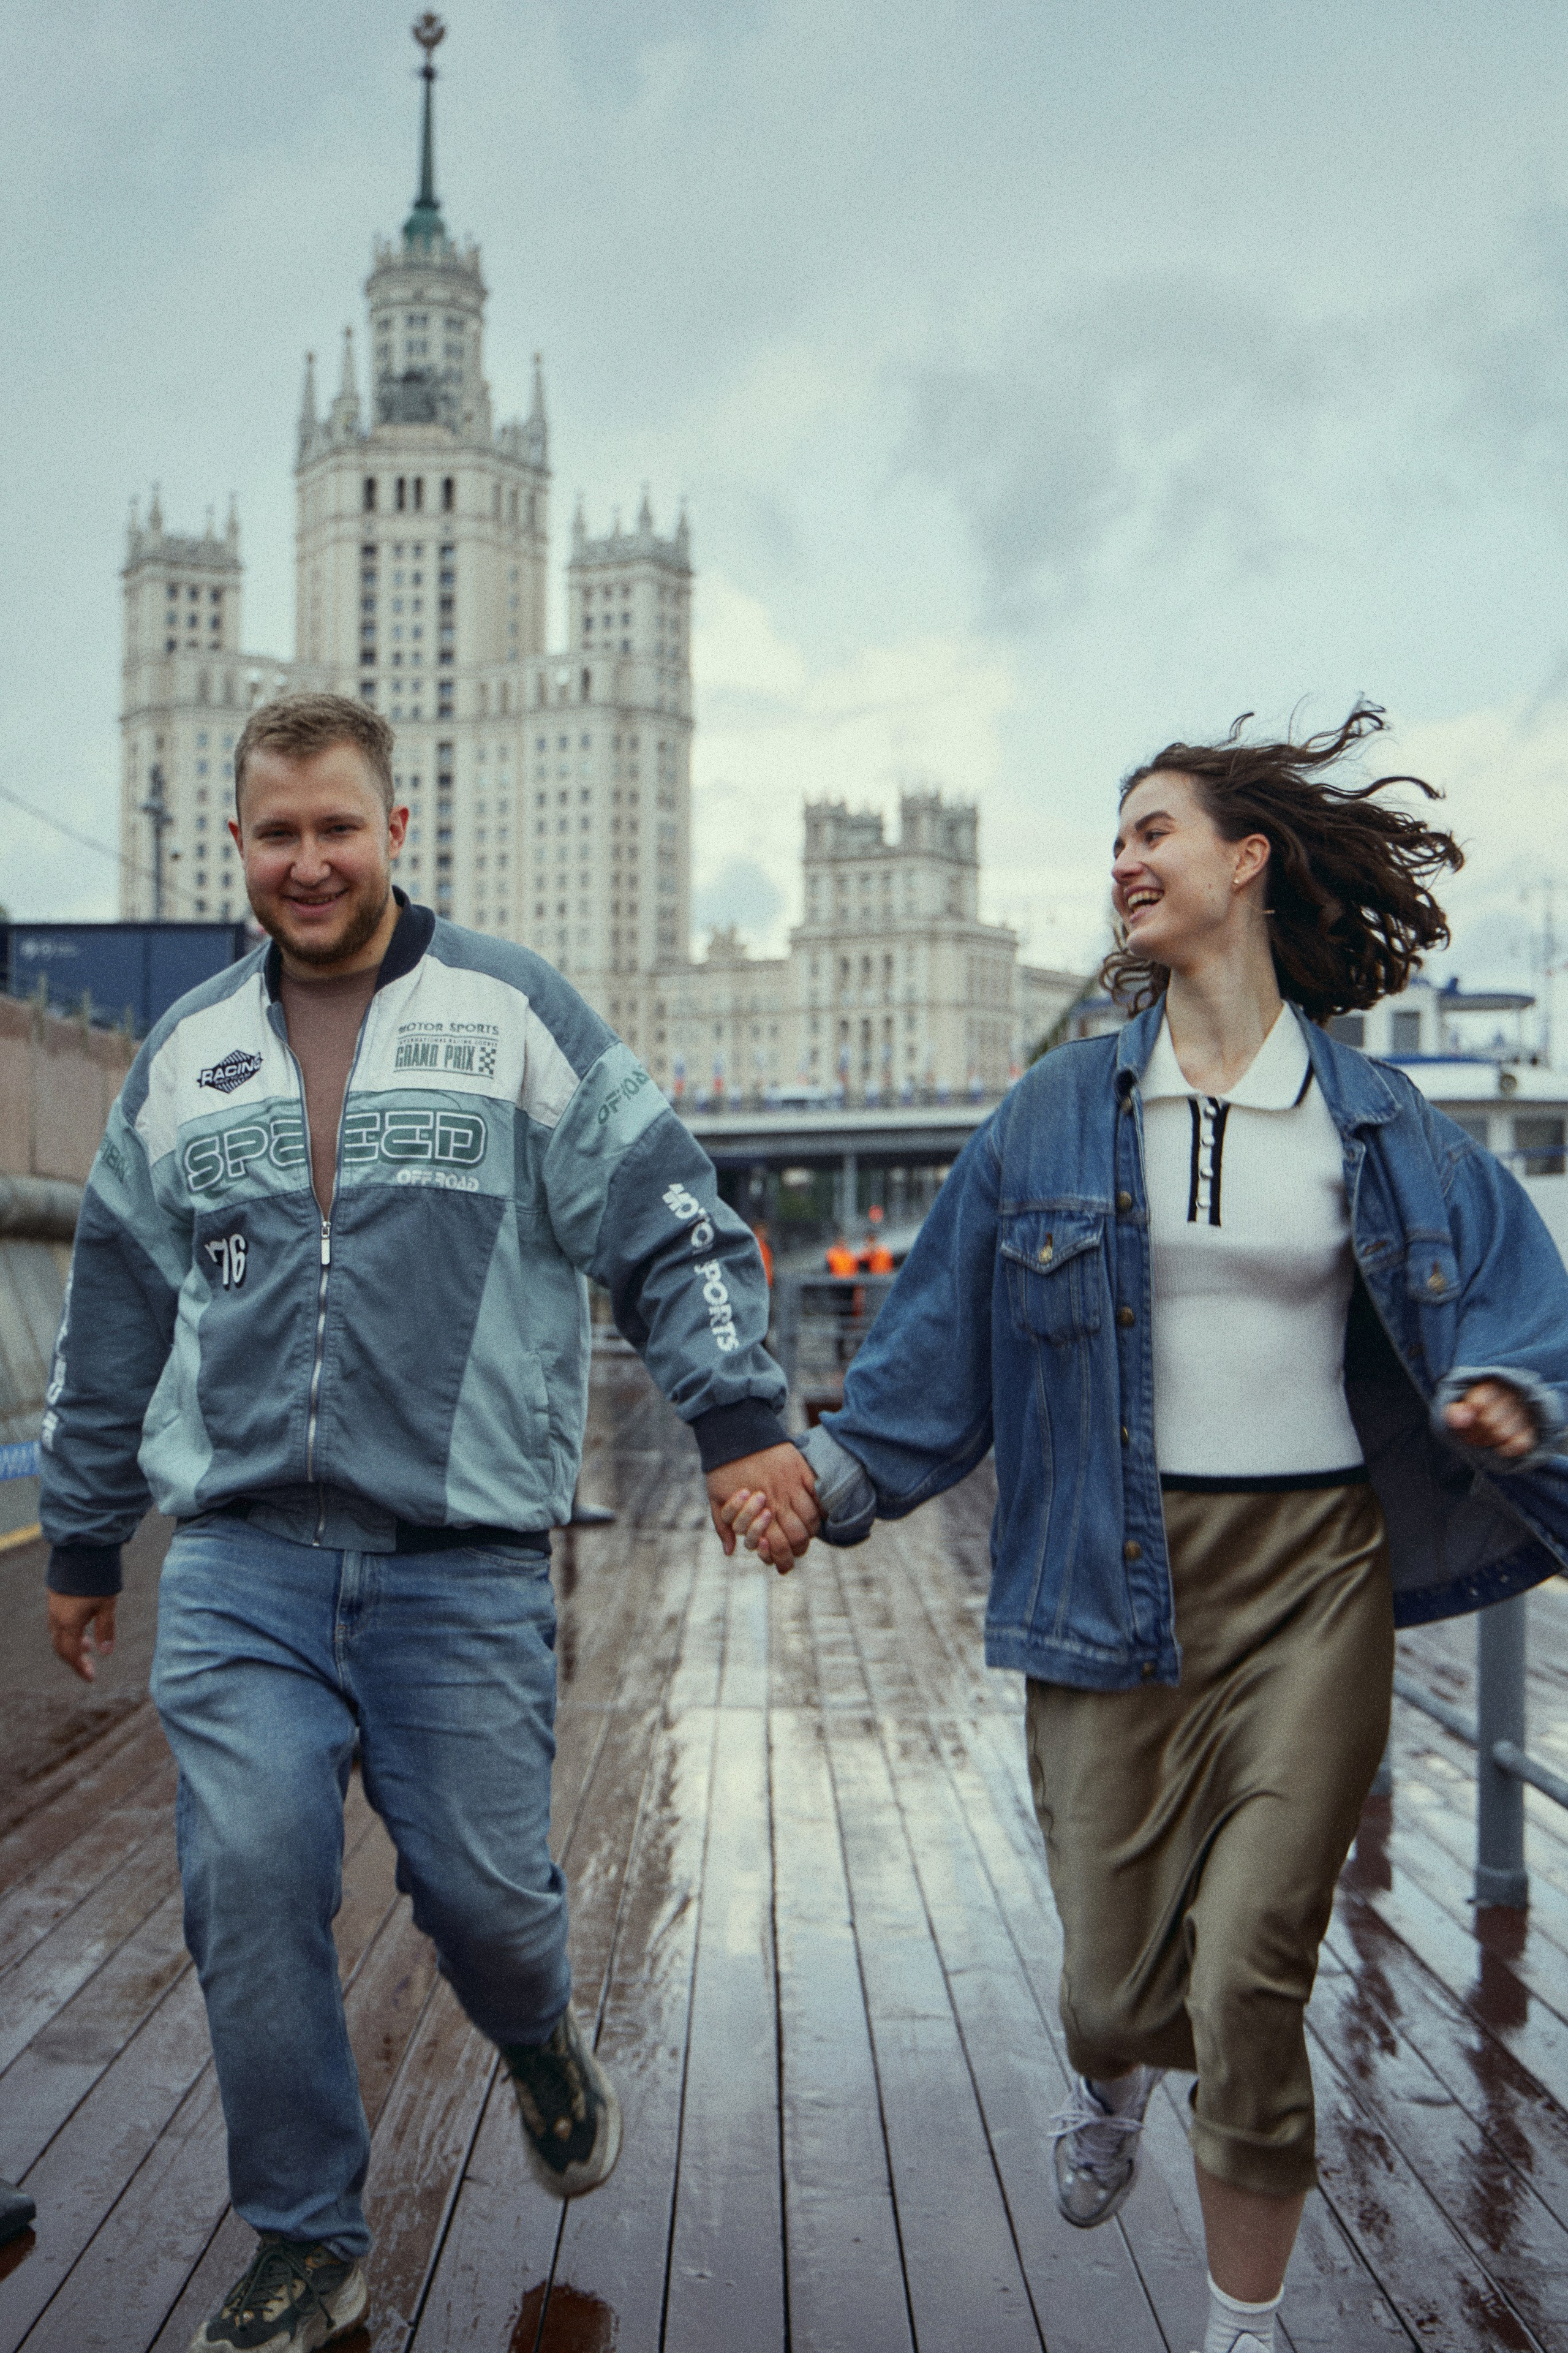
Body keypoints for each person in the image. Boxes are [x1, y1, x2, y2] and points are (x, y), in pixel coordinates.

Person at [726, 704, 1568, 2353]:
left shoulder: (1381, 1121)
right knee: (1115, 1984)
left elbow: (1522, 1303)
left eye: (1153, 831)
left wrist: (1506, 1397)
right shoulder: (1050, 1115)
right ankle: (1107, 2072)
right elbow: (931, 1343)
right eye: (1113, 839)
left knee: (1256, 1962)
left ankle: (1239, 2324)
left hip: (1312, 1583)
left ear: (1245, 861)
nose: (1123, 859)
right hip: (1103, 1574)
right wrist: (823, 1478)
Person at [41, 694, 819, 2353]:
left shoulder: (512, 1014)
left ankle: (539, 2038)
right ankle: (308, 2236)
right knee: (249, 1870)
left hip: (459, 1565)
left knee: (485, 1898)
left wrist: (740, 1417)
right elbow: (111, 1302)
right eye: (276, 833)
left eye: (338, 827)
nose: (308, 861)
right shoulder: (186, 1055)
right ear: (236, 846)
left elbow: (671, 1220)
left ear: (397, 831)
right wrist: (90, 1533)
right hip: (243, 1557)